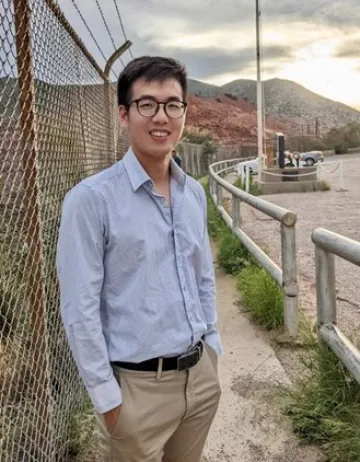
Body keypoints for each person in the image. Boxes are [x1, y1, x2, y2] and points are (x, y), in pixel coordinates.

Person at [56, 56, 222, 462]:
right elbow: (79, 308)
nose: (160, 116)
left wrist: (212, 347)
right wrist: (108, 401)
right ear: (123, 114)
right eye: (146, 104)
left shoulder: (193, 194)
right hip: (136, 394)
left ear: (184, 112)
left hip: (199, 381)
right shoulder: (92, 200)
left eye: (172, 104)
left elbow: (202, 277)